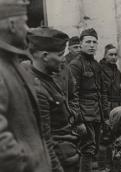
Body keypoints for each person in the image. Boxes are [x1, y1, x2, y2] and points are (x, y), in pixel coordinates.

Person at [0, 0, 52, 171]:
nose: (29, 29)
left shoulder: (13, 62)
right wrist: (23, 165)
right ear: (12, 25)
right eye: (25, 22)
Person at [27, 27, 81, 172]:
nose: (64, 59)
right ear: (45, 56)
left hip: (67, 154)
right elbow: (45, 141)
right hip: (59, 160)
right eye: (60, 54)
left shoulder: (48, 79)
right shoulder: (38, 89)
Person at [69, 28, 109, 172]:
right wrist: (78, 120)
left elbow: (102, 92)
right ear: (81, 44)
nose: (92, 45)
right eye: (88, 42)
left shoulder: (96, 65)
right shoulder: (76, 65)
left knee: (95, 149)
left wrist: (106, 116)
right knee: (88, 149)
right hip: (84, 115)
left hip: (97, 114)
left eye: (94, 42)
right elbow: (72, 95)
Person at [100, 44, 121, 110]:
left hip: (117, 104)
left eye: (115, 55)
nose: (113, 57)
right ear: (105, 55)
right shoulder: (99, 69)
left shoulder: (118, 72)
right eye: (111, 55)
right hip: (105, 105)